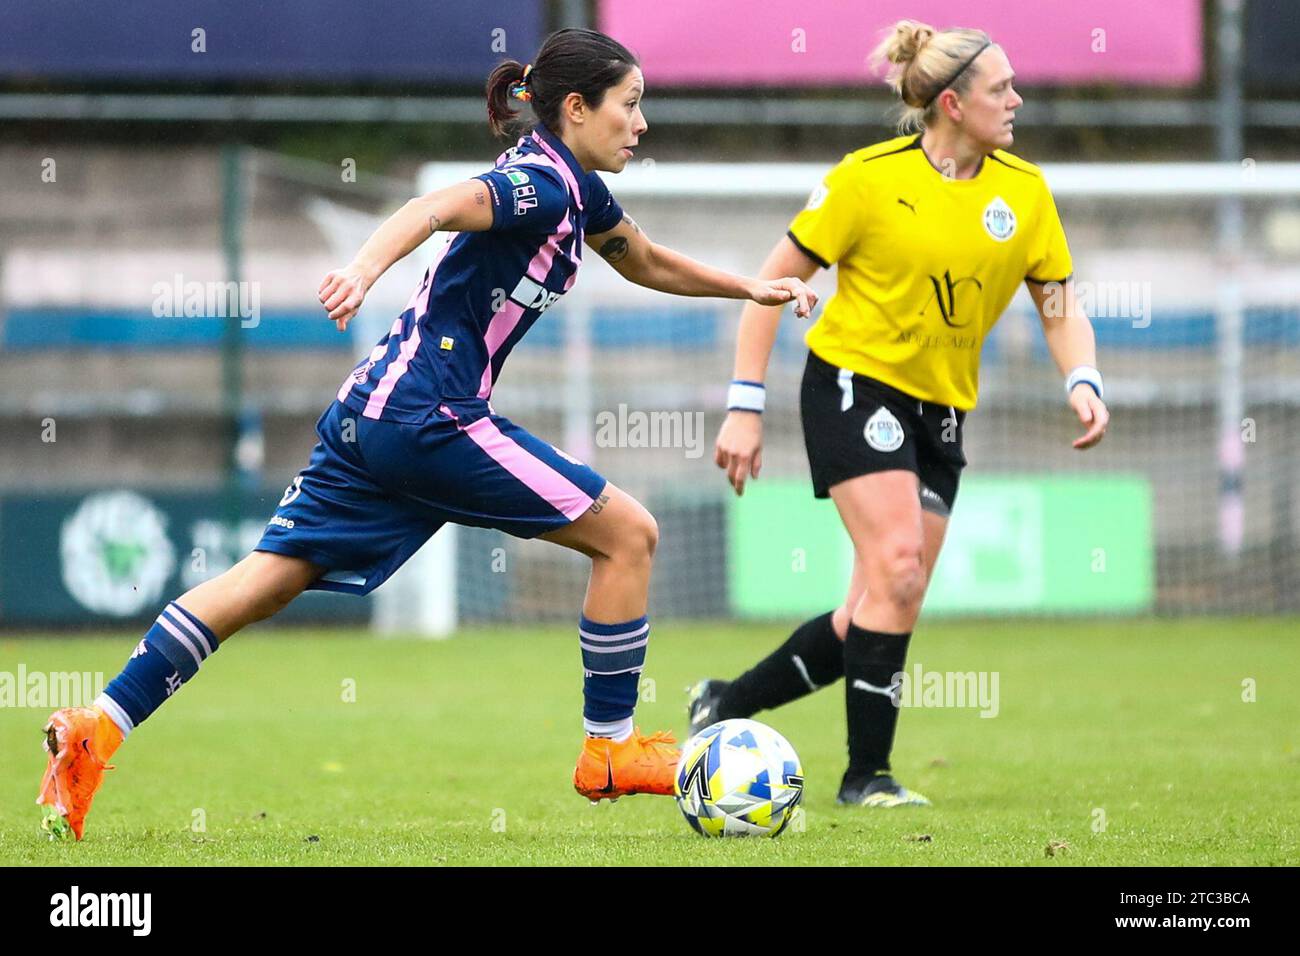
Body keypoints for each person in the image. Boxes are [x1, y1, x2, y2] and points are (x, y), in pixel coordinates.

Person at [36, 28, 817, 840]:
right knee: (630, 535)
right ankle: (610, 752)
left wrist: (751, 288)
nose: (642, 123)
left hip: (372, 411)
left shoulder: (581, 194)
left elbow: (645, 261)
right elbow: (433, 206)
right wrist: (364, 270)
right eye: (630, 105)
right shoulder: (538, 187)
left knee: (266, 579)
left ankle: (98, 728)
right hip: (429, 415)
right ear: (577, 109)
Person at [691, 20, 1109, 807]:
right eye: (1000, 89)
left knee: (882, 602)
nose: (1018, 99)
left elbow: (1057, 304)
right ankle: (866, 778)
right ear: (951, 103)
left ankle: (726, 704)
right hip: (854, 384)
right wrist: (745, 407)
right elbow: (767, 287)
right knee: (900, 566)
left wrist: (1081, 376)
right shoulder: (866, 179)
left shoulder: (1023, 190)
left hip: (943, 409)